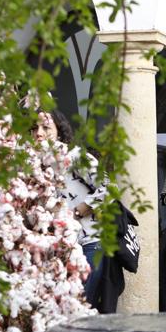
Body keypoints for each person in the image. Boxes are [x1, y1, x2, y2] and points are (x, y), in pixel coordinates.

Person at [35, 109, 111, 310]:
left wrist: (83, 208)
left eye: (45, 128)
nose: (39, 133)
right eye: (34, 128)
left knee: (80, 307)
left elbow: (109, 188)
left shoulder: (75, 156)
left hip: (87, 243)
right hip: (56, 250)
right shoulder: (35, 165)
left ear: (59, 130)